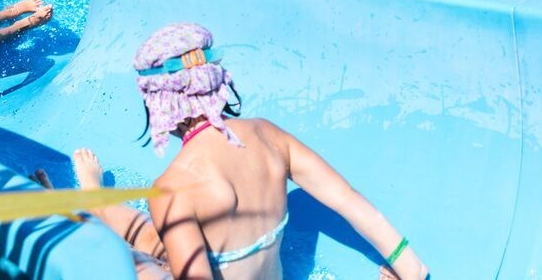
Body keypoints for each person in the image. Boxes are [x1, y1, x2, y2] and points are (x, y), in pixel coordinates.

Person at [44, 24, 429, 280]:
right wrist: (410, 268)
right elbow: (348, 201)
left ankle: (79, 213)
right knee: (153, 237)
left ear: (159, 106)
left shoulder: (175, 187)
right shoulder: (268, 135)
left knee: (128, 254)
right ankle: (95, 199)